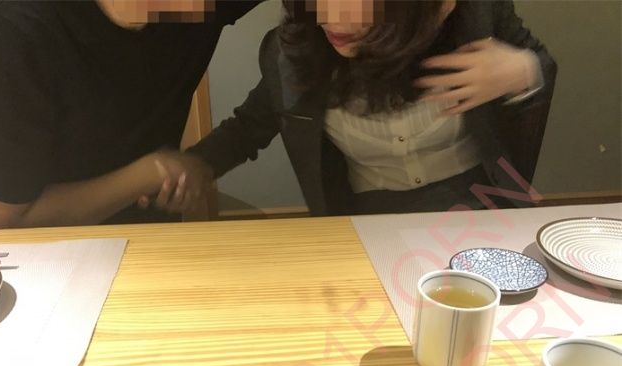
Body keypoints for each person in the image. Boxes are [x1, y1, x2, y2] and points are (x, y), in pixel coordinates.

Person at [183, 0, 557, 215]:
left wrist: (522, 70)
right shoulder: (292, 53)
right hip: (365, 216)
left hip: (483, 203)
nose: (331, 18)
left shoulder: (476, 15)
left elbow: (541, 65)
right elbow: (249, 127)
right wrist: (186, 167)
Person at [0, 0, 262, 228]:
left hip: (153, 237)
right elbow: (1, 221)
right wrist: (151, 172)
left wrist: (211, 156)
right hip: (43, 261)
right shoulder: (10, 25)